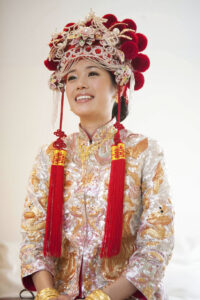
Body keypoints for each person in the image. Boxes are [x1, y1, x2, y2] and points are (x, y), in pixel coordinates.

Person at [19, 10, 175, 300]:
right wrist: (48, 293)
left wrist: (104, 297)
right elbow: (33, 235)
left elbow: (158, 241)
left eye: (93, 73)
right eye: (72, 77)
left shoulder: (145, 151)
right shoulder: (48, 156)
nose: (80, 84)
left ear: (118, 86)